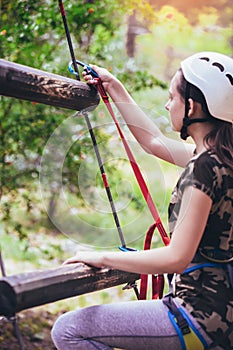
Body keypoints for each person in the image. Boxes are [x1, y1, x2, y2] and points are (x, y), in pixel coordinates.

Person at [51, 51, 233, 350]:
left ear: (192, 106)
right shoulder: (220, 159)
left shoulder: (203, 167)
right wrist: (114, 86)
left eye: (172, 97)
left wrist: (100, 256)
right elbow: (153, 142)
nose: (166, 103)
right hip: (222, 313)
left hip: (198, 314)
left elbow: (176, 257)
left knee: (69, 330)